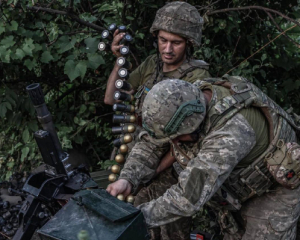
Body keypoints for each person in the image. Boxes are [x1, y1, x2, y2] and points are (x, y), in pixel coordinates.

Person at [107, 76, 300, 240]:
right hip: (236, 182)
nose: (173, 144)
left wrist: (134, 218)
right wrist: (128, 179)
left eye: (177, 138)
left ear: (192, 125)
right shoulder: (184, 99)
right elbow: (152, 143)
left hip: (273, 190)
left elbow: (188, 197)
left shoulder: (231, 133)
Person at [104, 1, 210, 110]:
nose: (168, 49)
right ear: (156, 37)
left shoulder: (196, 75)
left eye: (176, 43)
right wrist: (120, 59)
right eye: (163, 40)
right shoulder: (152, 63)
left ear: (188, 44)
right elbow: (111, 99)